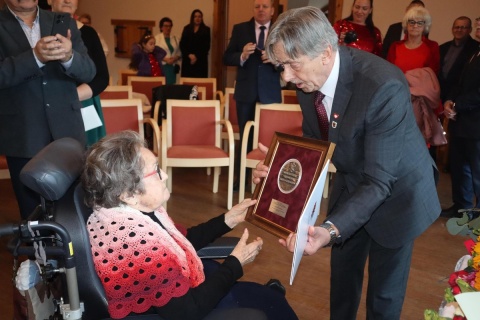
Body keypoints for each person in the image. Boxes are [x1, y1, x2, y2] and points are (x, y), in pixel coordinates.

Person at [255, 6, 441, 319]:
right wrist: (279, 172)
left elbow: (380, 181)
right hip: (353, 179)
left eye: (291, 65)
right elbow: (316, 148)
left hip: (399, 192)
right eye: (281, 66)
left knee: (384, 295)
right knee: (342, 280)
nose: (286, 77)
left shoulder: (383, 86)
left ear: (325, 53)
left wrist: (329, 229)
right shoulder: (307, 82)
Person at [82, 130, 298, 320]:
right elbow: (188, 312)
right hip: (189, 309)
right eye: (156, 171)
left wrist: (228, 219)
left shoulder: (128, 213)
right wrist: (235, 263)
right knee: (272, 305)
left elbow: (183, 240)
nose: (164, 175)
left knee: (266, 297)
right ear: (129, 194)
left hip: (187, 293)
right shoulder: (134, 243)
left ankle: (268, 295)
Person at [0, 0, 96, 219]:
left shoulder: (62, 21)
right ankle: (38, 253)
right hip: (23, 132)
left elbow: (89, 72)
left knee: (76, 205)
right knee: (32, 209)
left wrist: (69, 57)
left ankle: (75, 252)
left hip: (67, 130)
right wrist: (35, 58)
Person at [223, 0, 282, 189]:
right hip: (246, 92)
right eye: (257, 6)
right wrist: (242, 55)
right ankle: (241, 180)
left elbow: (288, 61)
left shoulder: (280, 31)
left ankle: (270, 181)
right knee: (246, 138)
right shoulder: (240, 29)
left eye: (265, 6)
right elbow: (226, 57)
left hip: (270, 93)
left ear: (272, 10)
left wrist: (274, 60)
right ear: (253, 9)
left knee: (271, 140)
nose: (261, 10)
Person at [49, 0, 109, 146]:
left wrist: (70, 97)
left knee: (86, 160)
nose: (67, 0)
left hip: (84, 104)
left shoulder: (89, 33)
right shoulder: (36, 30)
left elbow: (102, 77)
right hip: (47, 107)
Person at [442, 23, 480, 219]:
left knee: (477, 172)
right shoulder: (475, 52)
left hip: (476, 124)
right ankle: (462, 207)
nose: (478, 28)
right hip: (462, 122)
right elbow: (460, 82)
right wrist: (450, 100)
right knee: (459, 168)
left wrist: (457, 104)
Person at [386, 7, 439, 75]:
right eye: (412, 22)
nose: (415, 26)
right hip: (397, 84)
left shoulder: (432, 47)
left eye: (420, 23)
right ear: (406, 24)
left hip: (421, 85)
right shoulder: (395, 46)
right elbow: (389, 71)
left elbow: (432, 73)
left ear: (425, 26)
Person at [439, 17, 479, 103]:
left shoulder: (476, 48)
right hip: (440, 94)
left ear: (470, 30)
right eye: (456, 27)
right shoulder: (442, 47)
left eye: (463, 27)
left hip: (461, 97)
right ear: (452, 29)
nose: (459, 30)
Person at [179, 9, 210, 78]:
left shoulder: (206, 30)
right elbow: (182, 44)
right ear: (192, 18)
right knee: (187, 85)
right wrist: (189, 55)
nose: (197, 18)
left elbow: (206, 47)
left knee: (199, 85)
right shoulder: (186, 28)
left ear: (202, 18)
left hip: (200, 61)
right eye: (195, 16)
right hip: (188, 61)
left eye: (199, 16)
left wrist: (196, 56)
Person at [155, 17, 181, 84]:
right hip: (162, 66)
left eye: (170, 26)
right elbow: (154, 52)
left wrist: (175, 58)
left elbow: (180, 52)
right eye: (166, 26)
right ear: (161, 27)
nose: (168, 28)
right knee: (162, 87)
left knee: (172, 87)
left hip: (172, 67)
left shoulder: (175, 38)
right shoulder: (156, 39)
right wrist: (165, 59)